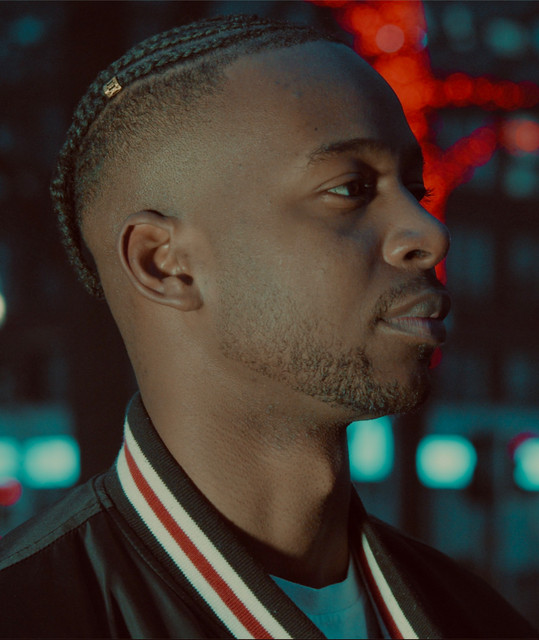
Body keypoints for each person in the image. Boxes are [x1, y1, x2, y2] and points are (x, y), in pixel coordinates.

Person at [0, 14, 536, 639]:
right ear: (163, 263)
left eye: (415, 191)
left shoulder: (479, 618)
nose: (430, 233)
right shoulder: (28, 614)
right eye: (351, 189)